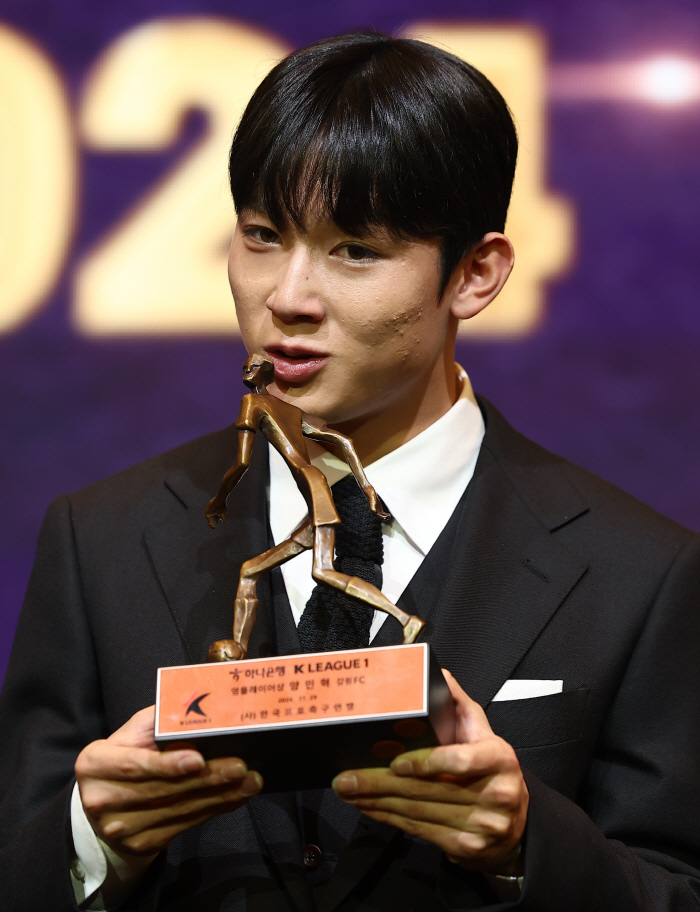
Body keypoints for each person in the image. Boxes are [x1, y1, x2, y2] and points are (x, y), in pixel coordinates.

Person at [1, 29, 700, 912]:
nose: (287, 298)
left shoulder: (642, 572)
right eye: (261, 235)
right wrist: (86, 842)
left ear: (476, 276)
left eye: (354, 251)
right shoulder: (100, 538)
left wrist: (527, 846)